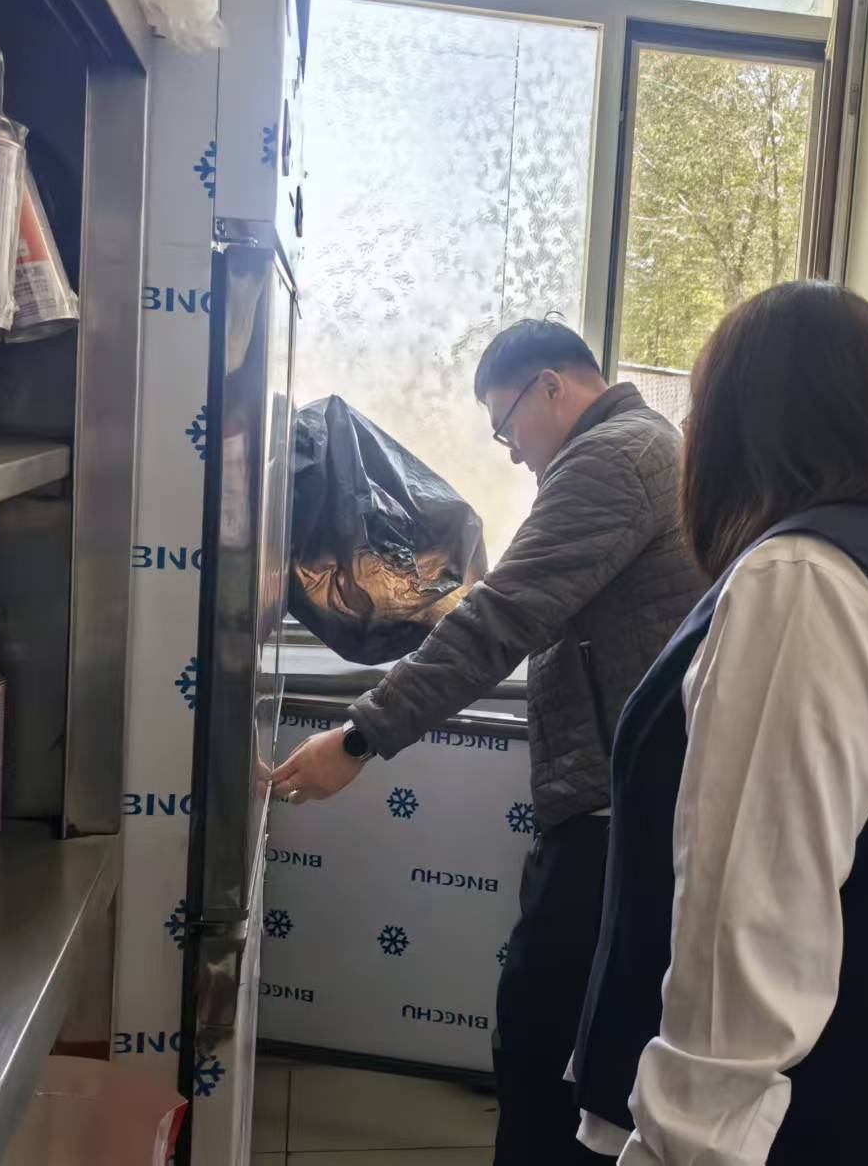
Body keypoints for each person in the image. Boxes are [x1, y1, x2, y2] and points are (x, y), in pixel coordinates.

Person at [571, 281, 868, 1164]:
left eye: (700, 412)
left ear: (746, 427)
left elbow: (750, 931)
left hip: (803, 1129)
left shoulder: (801, 581)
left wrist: (677, 1146)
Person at [268, 317, 707, 1165]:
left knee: (541, 1045)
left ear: (552, 386)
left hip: (615, 815)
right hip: (625, 802)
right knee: (565, 1044)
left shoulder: (614, 459)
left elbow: (502, 616)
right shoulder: (639, 451)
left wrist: (358, 737)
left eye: (506, 426)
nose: (510, 452)